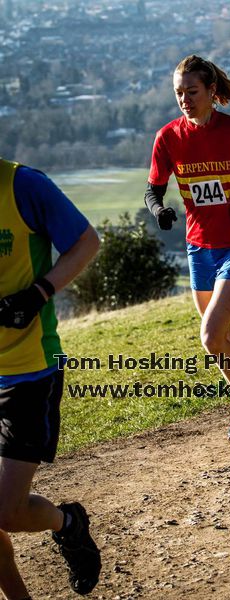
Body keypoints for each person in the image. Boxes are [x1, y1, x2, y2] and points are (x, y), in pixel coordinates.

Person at [145, 55, 230, 444]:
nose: (185, 99)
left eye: (192, 91)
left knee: (209, 336)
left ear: (210, 91)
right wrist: (160, 210)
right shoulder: (168, 138)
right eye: (179, 93)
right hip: (198, 248)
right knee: (221, 338)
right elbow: (153, 189)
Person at [0, 158, 101, 599]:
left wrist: (38, 292)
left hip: (27, 371)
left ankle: (68, 523)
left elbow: (86, 241)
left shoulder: (21, 185)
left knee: (7, 511)